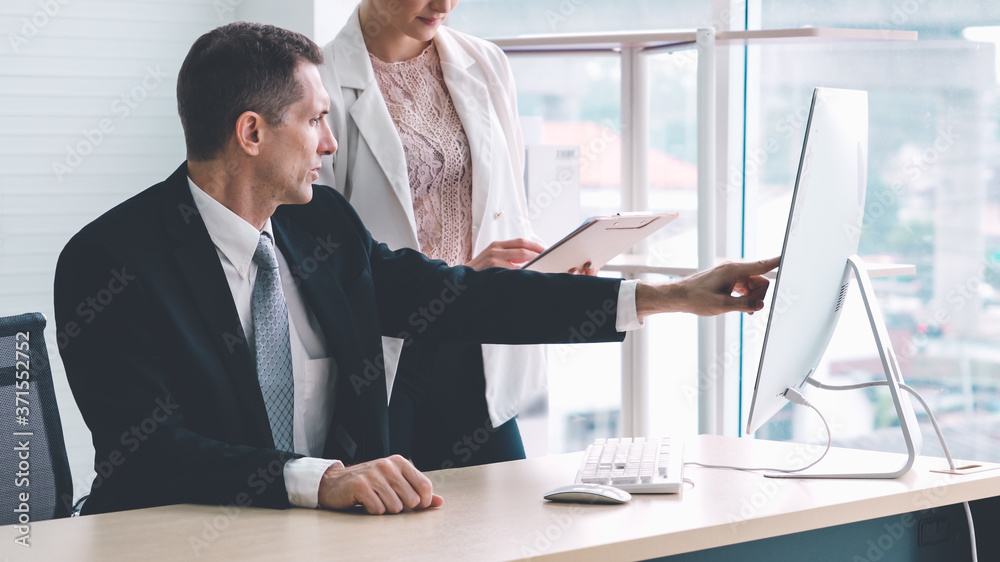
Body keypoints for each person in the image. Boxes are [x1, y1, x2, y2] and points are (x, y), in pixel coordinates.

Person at [54, 21, 778, 516]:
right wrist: (324, 483)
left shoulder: (321, 227)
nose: (330, 144)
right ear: (251, 132)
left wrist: (671, 296)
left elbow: (457, 298)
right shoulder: (110, 262)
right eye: (314, 120)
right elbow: (148, 452)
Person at [317, 0, 554, 471]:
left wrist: (545, 267)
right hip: (390, 355)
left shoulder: (485, 63)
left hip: (477, 337)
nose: (443, 5)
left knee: (502, 517)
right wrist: (457, 277)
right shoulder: (319, 80)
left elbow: (508, 205)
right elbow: (320, 250)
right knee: (393, 528)